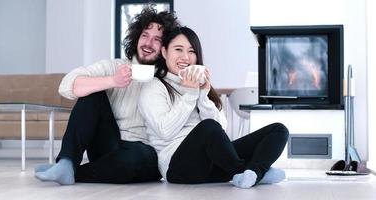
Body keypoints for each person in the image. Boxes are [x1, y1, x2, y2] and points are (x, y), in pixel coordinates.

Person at [34, 6, 180, 185]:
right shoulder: (115, 67)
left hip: (142, 153)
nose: (148, 44)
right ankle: (67, 162)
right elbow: (66, 85)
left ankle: (71, 171)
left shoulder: (168, 81)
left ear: (165, 49)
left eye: (157, 39)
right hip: (107, 146)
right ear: (136, 39)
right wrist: (112, 81)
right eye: (145, 36)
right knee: (92, 93)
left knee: (136, 157)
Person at [138, 26, 289, 188]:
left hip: (213, 165)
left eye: (191, 51)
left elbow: (220, 129)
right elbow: (164, 131)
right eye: (178, 49)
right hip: (179, 168)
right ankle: (249, 171)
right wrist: (190, 95)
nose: (185, 57)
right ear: (164, 52)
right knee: (208, 127)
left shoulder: (199, 86)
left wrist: (203, 94)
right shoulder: (154, 87)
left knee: (279, 130)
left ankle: (252, 172)